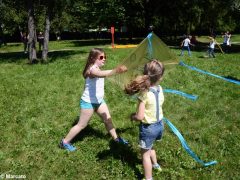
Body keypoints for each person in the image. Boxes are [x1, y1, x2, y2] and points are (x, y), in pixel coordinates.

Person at [59, 48, 129, 151]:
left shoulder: (97, 67)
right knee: (81, 125)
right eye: (101, 57)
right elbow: (100, 74)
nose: (104, 59)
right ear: (93, 58)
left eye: (105, 57)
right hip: (89, 102)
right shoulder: (92, 70)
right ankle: (64, 142)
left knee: (108, 120)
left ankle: (116, 139)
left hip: (99, 101)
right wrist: (116, 71)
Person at [125, 60, 165, 180]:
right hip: (160, 125)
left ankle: (148, 178)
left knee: (145, 154)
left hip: (149, 128)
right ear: (160, 77)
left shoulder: (144, 94)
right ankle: (156, 164)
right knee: (151, 146)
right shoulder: (160, 89)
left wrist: (133, 116)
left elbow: (140, 117)